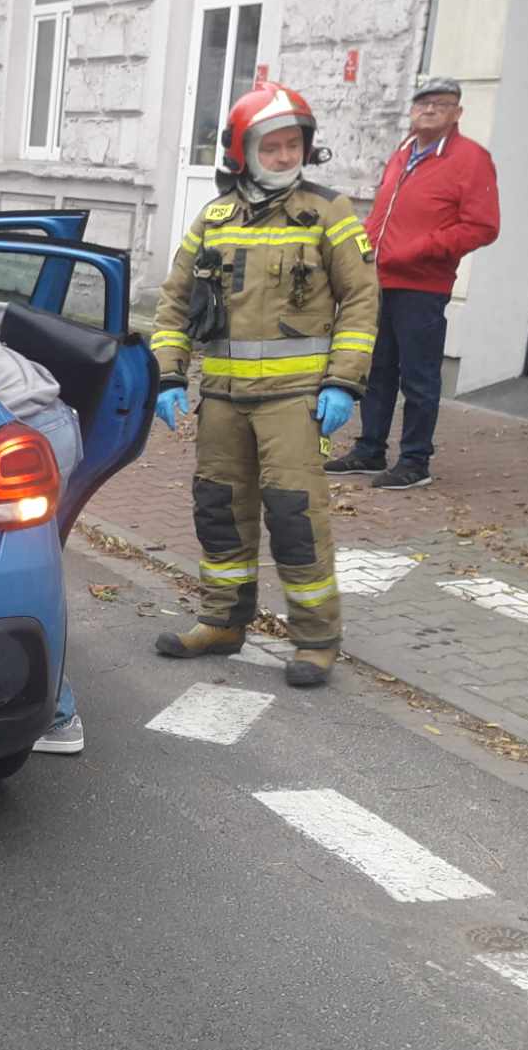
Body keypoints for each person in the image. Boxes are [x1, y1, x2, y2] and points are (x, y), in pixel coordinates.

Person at [149, 84, 380, 688]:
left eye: (292, 145)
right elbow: (173, 303)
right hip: (222, 399)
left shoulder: (328, 212)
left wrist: (343, 383)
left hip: (294, 401)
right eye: (271, 147)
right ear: (243, 152)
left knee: (295, 516)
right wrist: (168, 375)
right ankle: (222, 621)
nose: (284, 156)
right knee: (219, 512)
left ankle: (316, 640)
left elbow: (361, 301)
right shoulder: (214, 218)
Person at [324, 78, 499, 489]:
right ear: (412, 109)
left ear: (457, 113)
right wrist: (362, 249)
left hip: (423, 286)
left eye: (442, 103)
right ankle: (370, 450)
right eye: (423, 102)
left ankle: (415, 461)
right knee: (377, 370)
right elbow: (382, 215)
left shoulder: (471, 159)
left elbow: (483, 226)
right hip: (378, 280)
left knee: (418, 377)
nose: (430, 109)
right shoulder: (404, 151)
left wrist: (420, 249)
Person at [0, 302, 84, 753]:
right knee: (30, 567)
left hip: (33, 431)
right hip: (49, 421)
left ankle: (60, 717)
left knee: (22, 574)